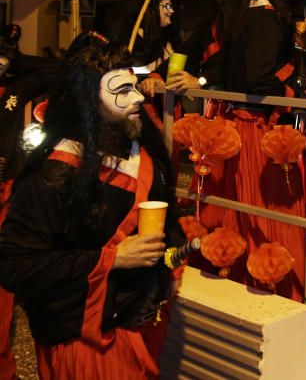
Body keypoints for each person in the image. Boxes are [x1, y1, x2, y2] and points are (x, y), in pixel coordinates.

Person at [0, 32, 184, 380]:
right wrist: (113, 259)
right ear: (87, 100)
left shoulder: (143, 150)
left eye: (134, 86)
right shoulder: (53, 174)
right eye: (121, 91)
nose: (136, 99)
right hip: (81, 345)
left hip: (140, 330)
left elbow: (167, 212)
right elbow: (15, 264)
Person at [167, 0, 305, 301]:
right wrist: (295, 88)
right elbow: (259, 78)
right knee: (263, 210)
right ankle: (270, 282)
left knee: (228, 206)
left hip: (227, 126)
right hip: (255, 128)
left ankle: (227, 272)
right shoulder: (266, 15)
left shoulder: (237, 17)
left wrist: (199, 82)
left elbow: (224, 70)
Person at [0, 24, 56, 380]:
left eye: (3, 58)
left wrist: (16, 57)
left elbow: (54, 70)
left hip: (5, 190)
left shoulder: (17, 88)